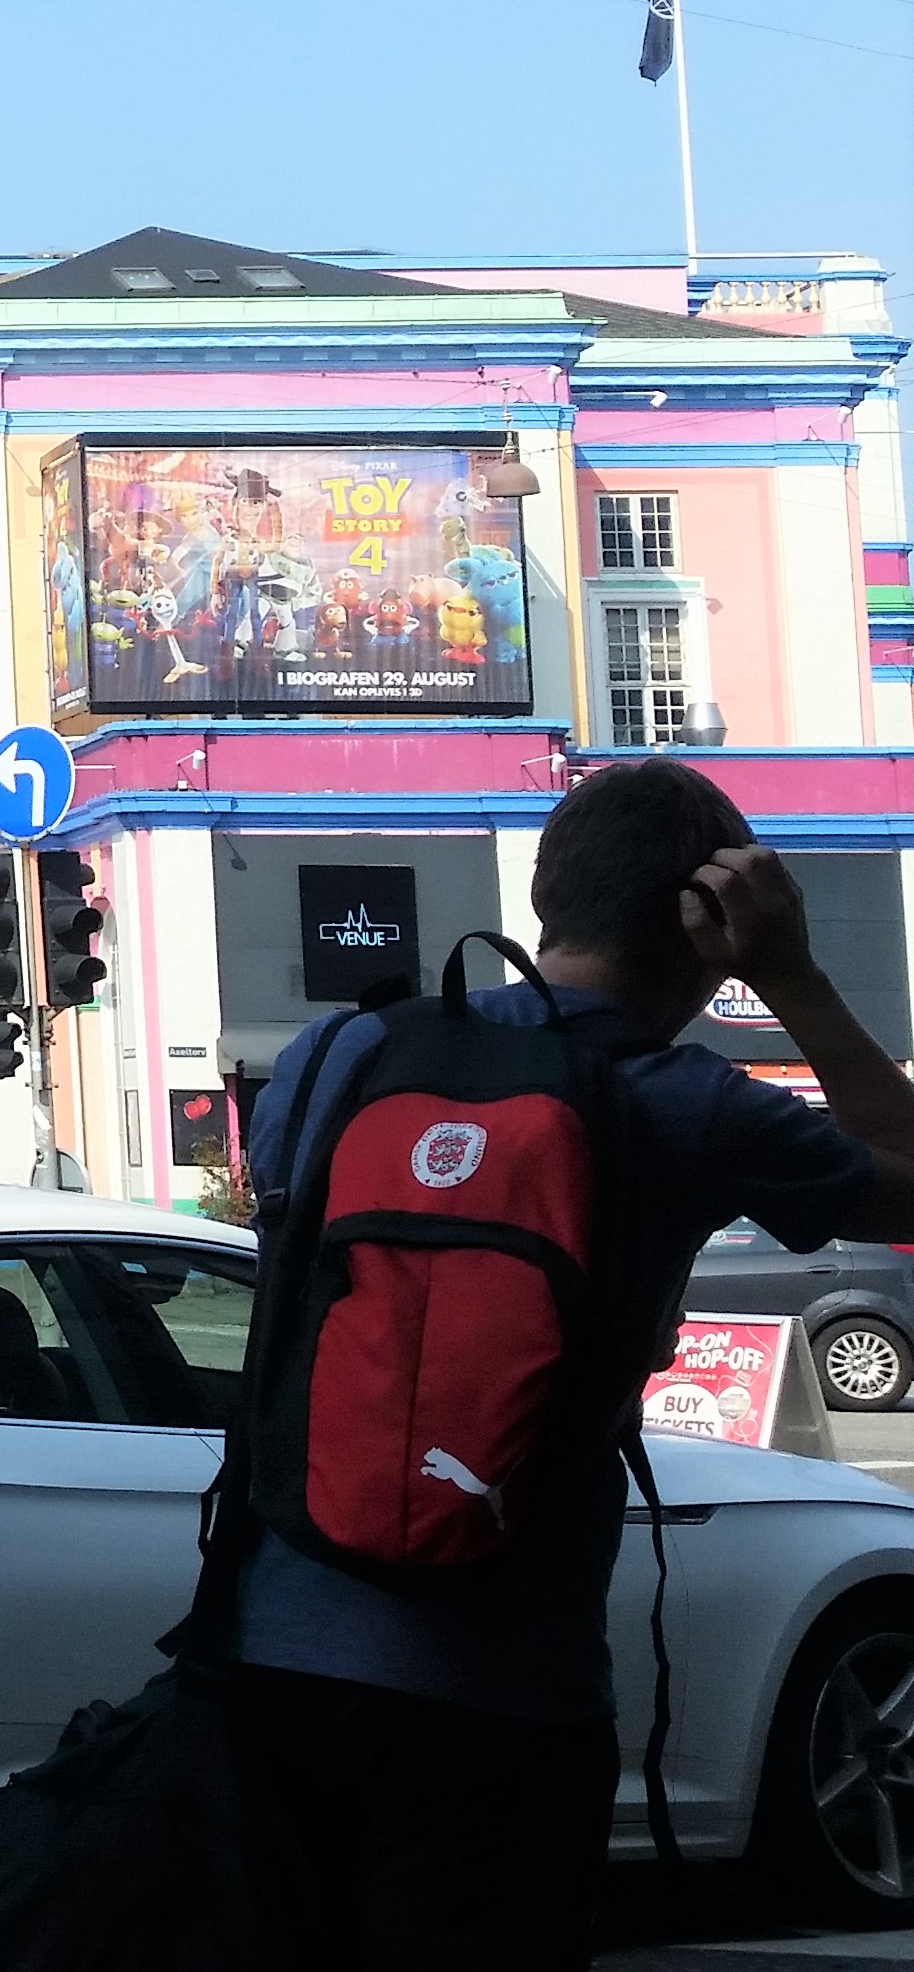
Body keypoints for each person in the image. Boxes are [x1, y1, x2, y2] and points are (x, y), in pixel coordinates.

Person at [214, 757, 914, 1972]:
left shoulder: (335, 1060)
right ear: (704, 919)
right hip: (503, 1691)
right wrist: (788, 971)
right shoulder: (682, 1102)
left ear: (544, 893)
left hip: (264, 1654)